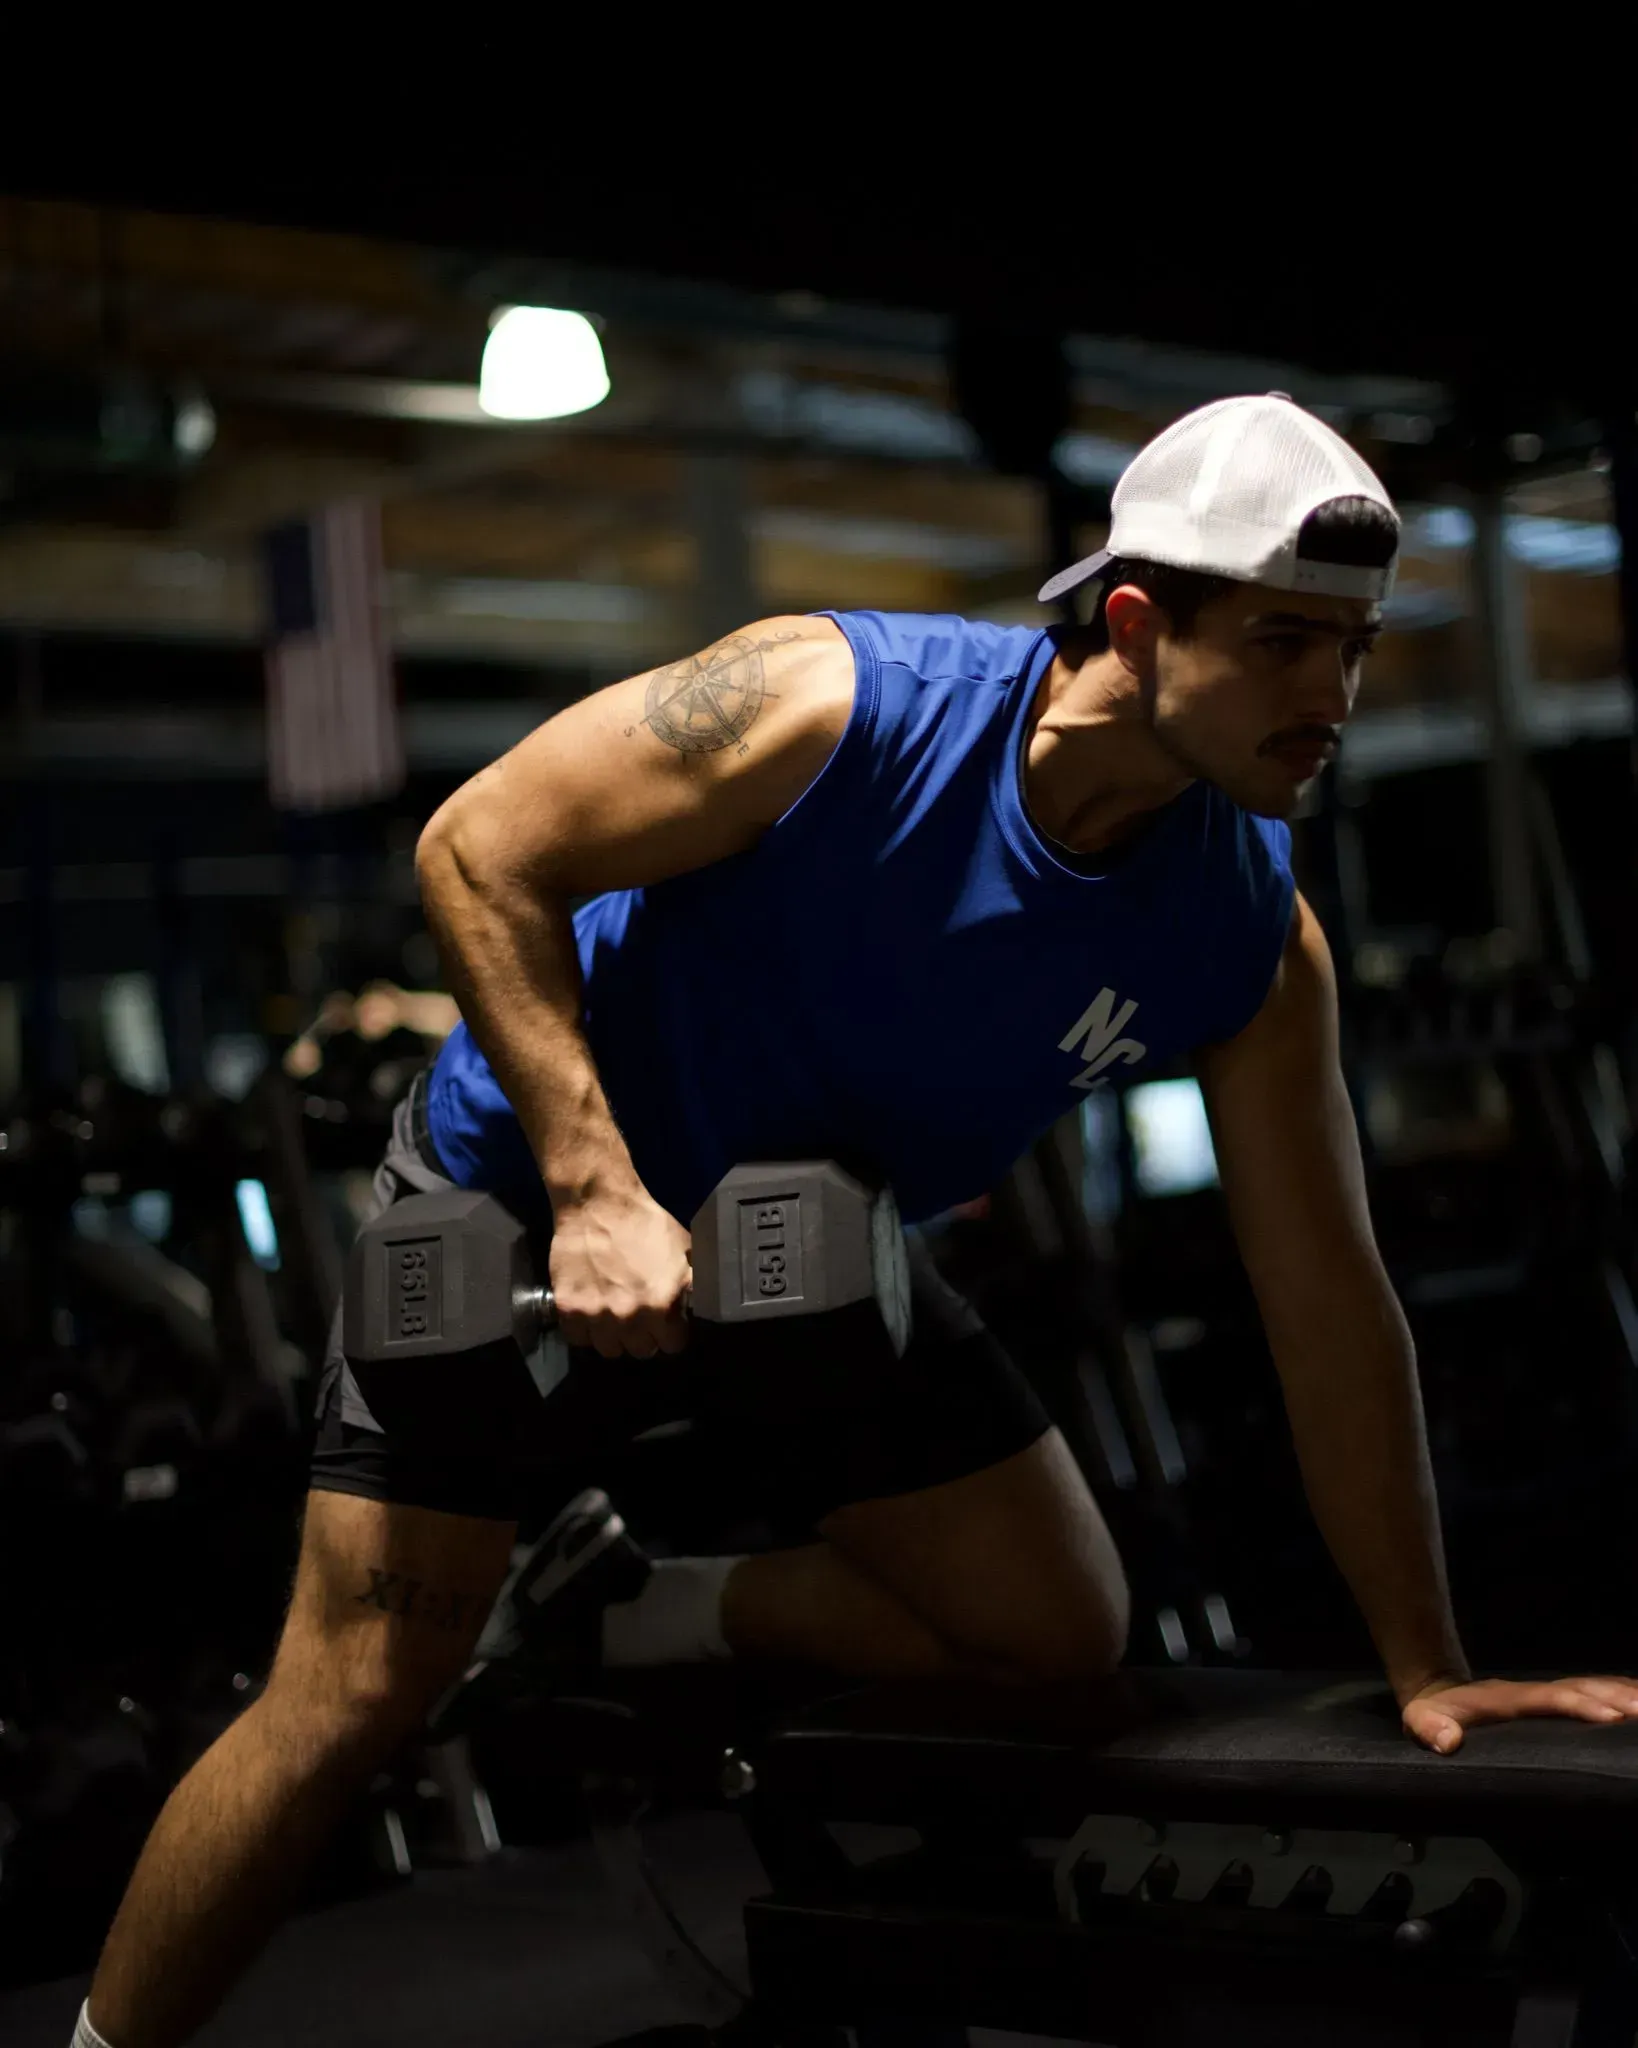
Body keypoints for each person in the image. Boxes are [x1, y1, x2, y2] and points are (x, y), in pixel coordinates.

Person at [77, 395, 1638, 2048]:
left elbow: (1325, 1289)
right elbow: (479, 847)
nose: (1329, 699)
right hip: (526, 1198)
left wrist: (1424, 1662)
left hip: (803, 1249)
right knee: (354, 1698)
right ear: (1133, 621)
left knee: (1055, 1635)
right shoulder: (838, 706)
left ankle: (635, 1604)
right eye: (1281, 643)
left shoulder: (1246, 938)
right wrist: (597, 1188)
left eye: (1353, 652)